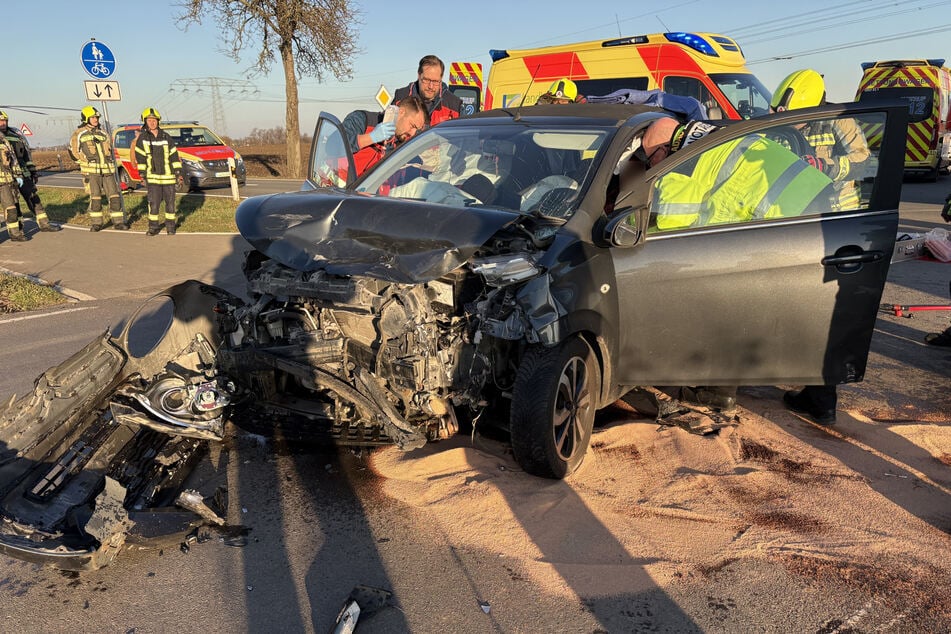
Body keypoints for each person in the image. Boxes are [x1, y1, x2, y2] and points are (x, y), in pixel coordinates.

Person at [635, 116, 838, 419]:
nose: (651, 167)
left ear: (663, 149)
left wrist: (641, 225)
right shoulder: (713, 135)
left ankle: (718, 393)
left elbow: (674, 222)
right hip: (814, 203)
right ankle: (821, 402)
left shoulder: (685, 161)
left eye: (651, 159)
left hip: (781, 221)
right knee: (810, 310)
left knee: (723, 296)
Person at [770, 69, 870, 211]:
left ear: (811, 112)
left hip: (836, 213)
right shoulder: (775, 128)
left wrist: (823, 166)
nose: (783, 124)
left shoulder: (839, 121)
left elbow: (862, 160)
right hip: (795, 211)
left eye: (792, 118)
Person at [69, 106, 128, 231]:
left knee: (114, 196)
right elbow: (73, 152)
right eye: (93, 117)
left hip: (107, 171)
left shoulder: (103, 133)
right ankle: (97, 223)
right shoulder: (79, 134)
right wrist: (84, 162)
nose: (95, 119)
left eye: (96, 117)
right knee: (95, 198)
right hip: (91, 172)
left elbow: (110, 151)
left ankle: (118, 222)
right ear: (86, 119)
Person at [341, 95, 429, 178]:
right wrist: (371, 138)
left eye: (416, 129)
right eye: (412, 126)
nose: (412, 133)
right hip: (337, 190)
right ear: (401, 112)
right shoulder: (362, 119)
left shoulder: (397, 144)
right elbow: (335, 146)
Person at [0, 111, 60, 233]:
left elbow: (26, 155)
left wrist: (32, 171)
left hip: (23, 173)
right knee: (13, 204)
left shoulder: (16, 135)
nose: (3, 123)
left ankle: (44, 224)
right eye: (0, 121)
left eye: (5, 120)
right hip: (6, 177)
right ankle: (17, 230)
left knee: (34, 199)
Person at [135, 107, 182, 236]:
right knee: (154, 204)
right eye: (149, 120)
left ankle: (170, 227)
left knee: (170, 205)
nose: (152, 122)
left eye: (154, 120)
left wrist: (177, 172)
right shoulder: (143, 138)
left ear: (158, 121)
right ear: (145, 122)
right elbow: (140, 157)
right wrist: (142, 174)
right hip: (153, 177)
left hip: (169, 177)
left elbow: (173, 155)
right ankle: (153, 228)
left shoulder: (166, 137)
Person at [393, 55, 462, 126]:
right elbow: (391, 131)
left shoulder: (453, 104)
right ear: (419, 75)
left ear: (441, 78)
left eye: (435, 81)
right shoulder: (401, 97)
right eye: (426, 80)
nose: (430, 86)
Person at [0, 133, 27, 241]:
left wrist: (18, 175)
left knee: (11, 209)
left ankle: (15, 234)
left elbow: (14, 161)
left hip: (6, 182)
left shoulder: (4, 141)